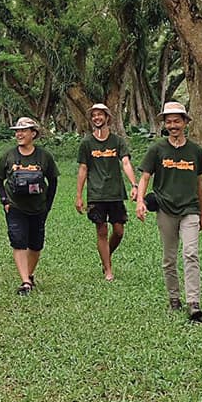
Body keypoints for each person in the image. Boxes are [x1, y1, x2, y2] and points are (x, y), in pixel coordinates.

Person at [136, 101, 202, 323]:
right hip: (165, 209)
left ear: (185, 122)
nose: (173, 125)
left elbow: (199, 184)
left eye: (177, 121)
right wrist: (140, 201)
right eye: (169, 122)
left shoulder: (195, 151)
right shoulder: (157, 149)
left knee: (191, 253)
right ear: (164, 125)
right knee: (169, 258)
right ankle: (174, 298)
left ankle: (193, 303)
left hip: (190, 208)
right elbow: (145, 177)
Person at [0, 117, 59, 295]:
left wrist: (48, 205)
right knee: (18, 241)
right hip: (15, 207)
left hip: (38, 207)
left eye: (23, 131)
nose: (19, 134)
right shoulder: (8, 156)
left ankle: (29, 275)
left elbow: (53, 181)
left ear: (33, 133)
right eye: (17, 131)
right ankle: (25, 282)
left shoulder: (44, 156)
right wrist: (4, 200)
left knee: (36, 245)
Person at [75, 103, 138, 281]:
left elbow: (125, 162)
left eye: (100, 114)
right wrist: (79, 195)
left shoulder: (117, 141)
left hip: (115, 192)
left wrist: (134, 184)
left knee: (118, 231)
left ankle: (106, 256)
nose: (97, 118)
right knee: (101, 231)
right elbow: (83, 169)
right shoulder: (87, 143)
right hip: (96, 193)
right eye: (94, 115)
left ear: (107, 117)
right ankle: (108, 270)